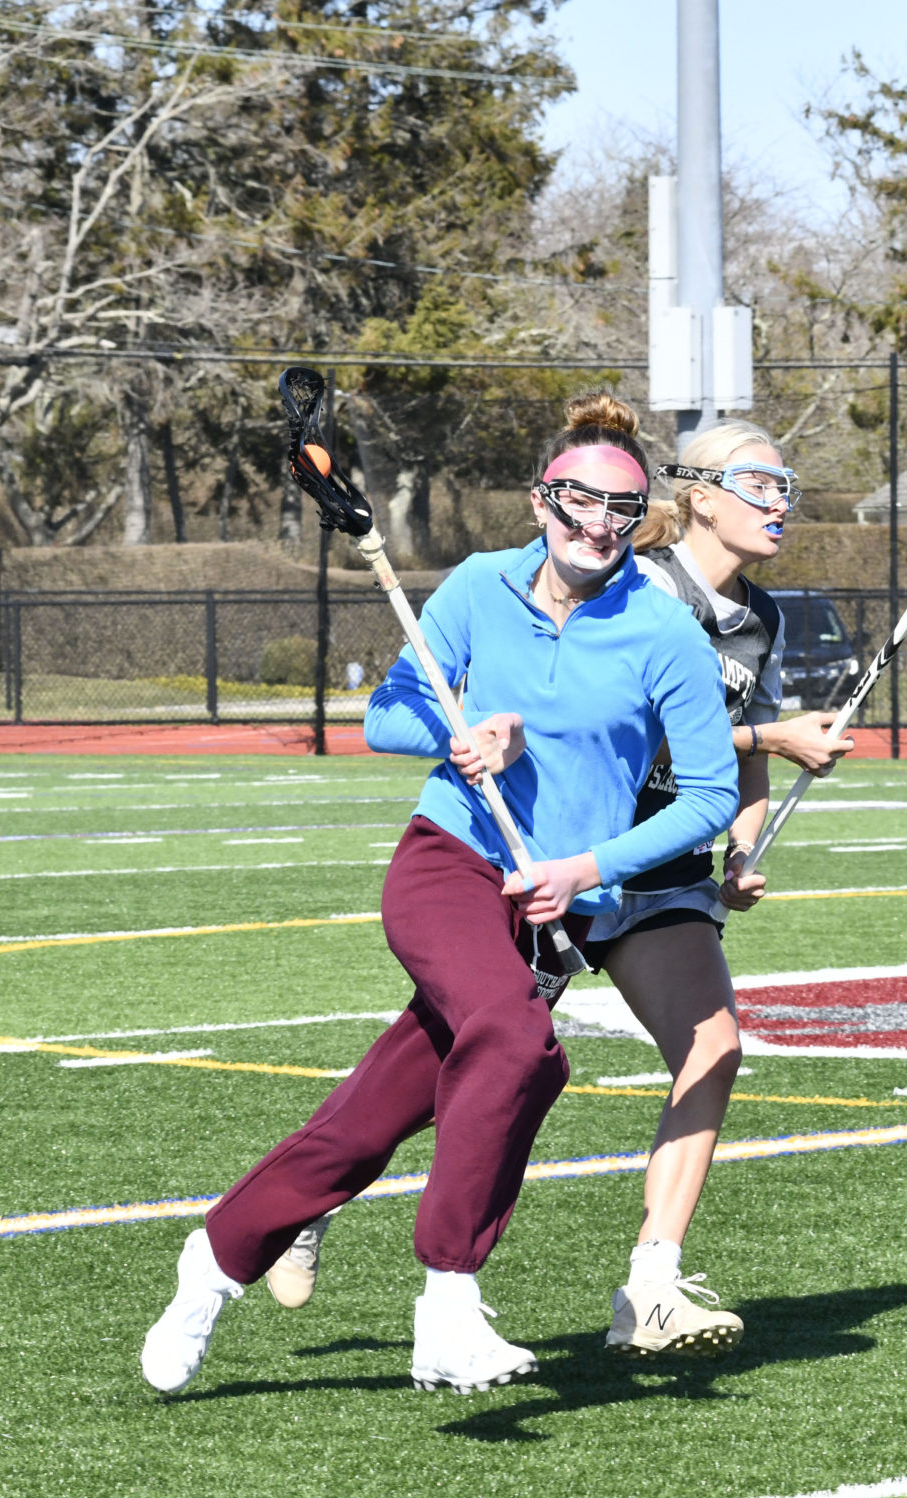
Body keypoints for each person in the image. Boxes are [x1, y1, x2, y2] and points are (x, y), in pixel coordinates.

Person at [140, 393, 738, 1397]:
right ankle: (448, 1305)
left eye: (620, 510)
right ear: (540, 499)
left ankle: (211, 1262)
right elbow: (385, 717)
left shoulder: (662, 631)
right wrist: (460, 740)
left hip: (554, 909)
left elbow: (712, 797)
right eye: (578, 502)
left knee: (373, 1120)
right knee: (514, 1042)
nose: (597, 525)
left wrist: (584, 872)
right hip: (448, 865)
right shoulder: (474, 587)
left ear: (641, 521)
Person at [583, 423, 853, 1358]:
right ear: (700, 494)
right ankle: (316, 1194)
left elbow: (740, 763)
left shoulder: (763, 618)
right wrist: (770, 738)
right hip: (570, 849)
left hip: (665, 865)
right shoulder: (641, 590)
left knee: (714, 1050)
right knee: (468, 1065)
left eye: (788, 484)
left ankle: (649, 1288)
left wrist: (740, 850)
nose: (781, 500)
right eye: (760, 482)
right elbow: (628, 733)